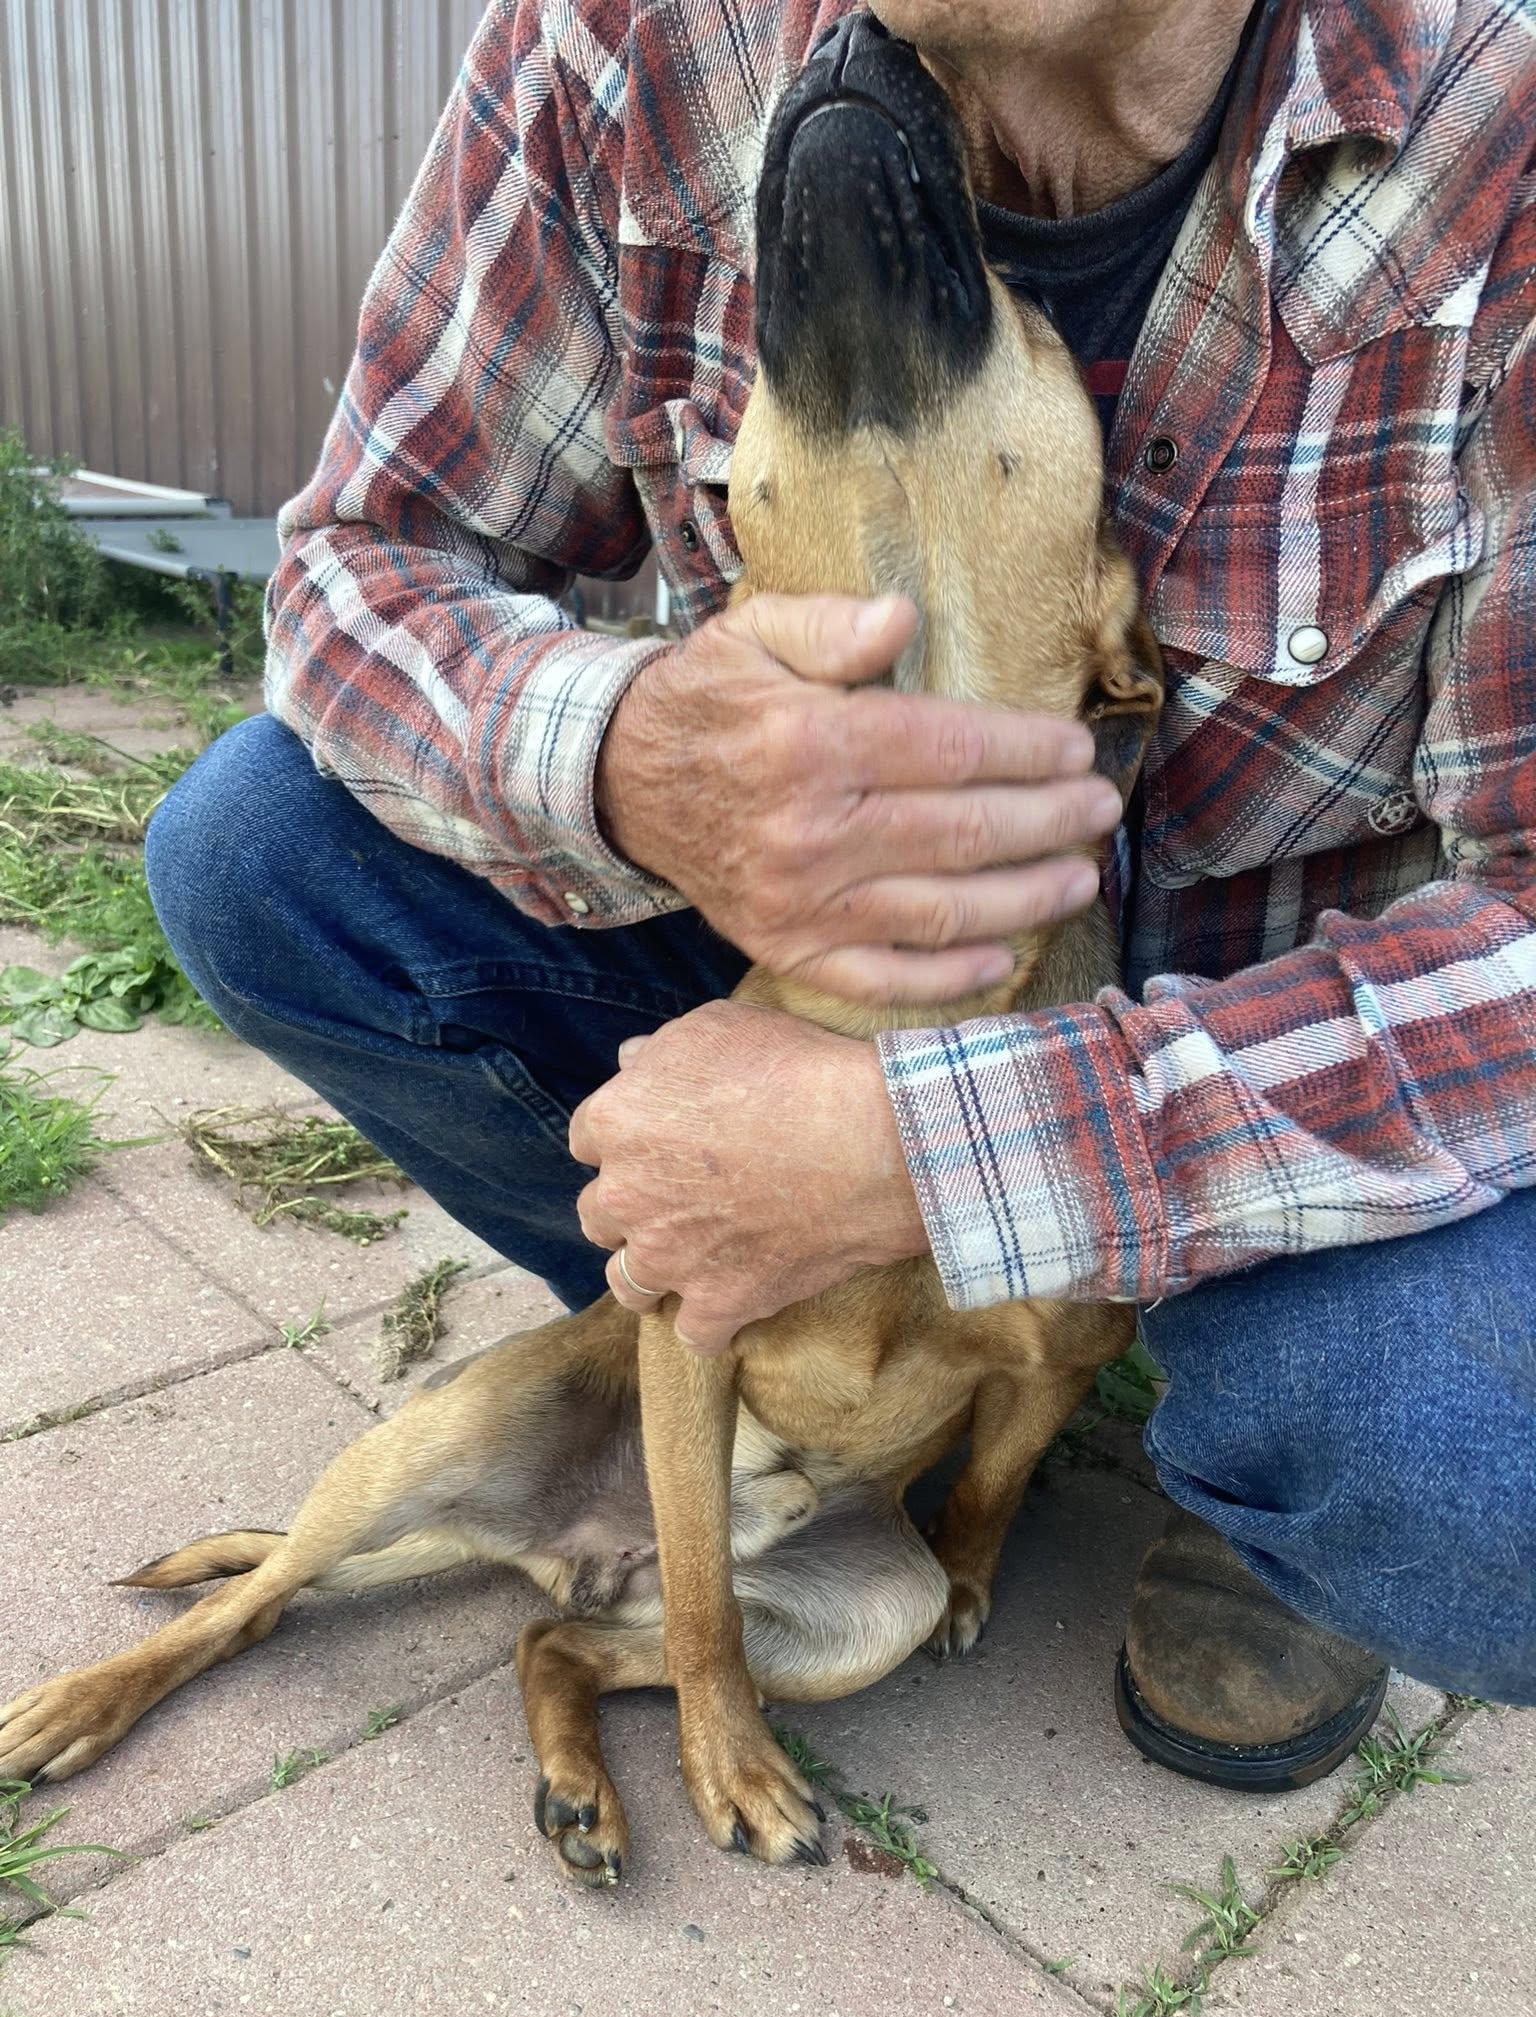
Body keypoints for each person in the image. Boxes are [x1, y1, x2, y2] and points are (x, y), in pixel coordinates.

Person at [146, 0, 1536, 1789]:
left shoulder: (1495, 122)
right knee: (262, 854)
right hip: (795, 972)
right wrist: (627, 749)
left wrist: (943, 1152)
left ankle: (1244, 1459)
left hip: (1308, 1106)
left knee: (1476, 1475)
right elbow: (366, 557)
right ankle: (798, 1357)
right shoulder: (633, 40)